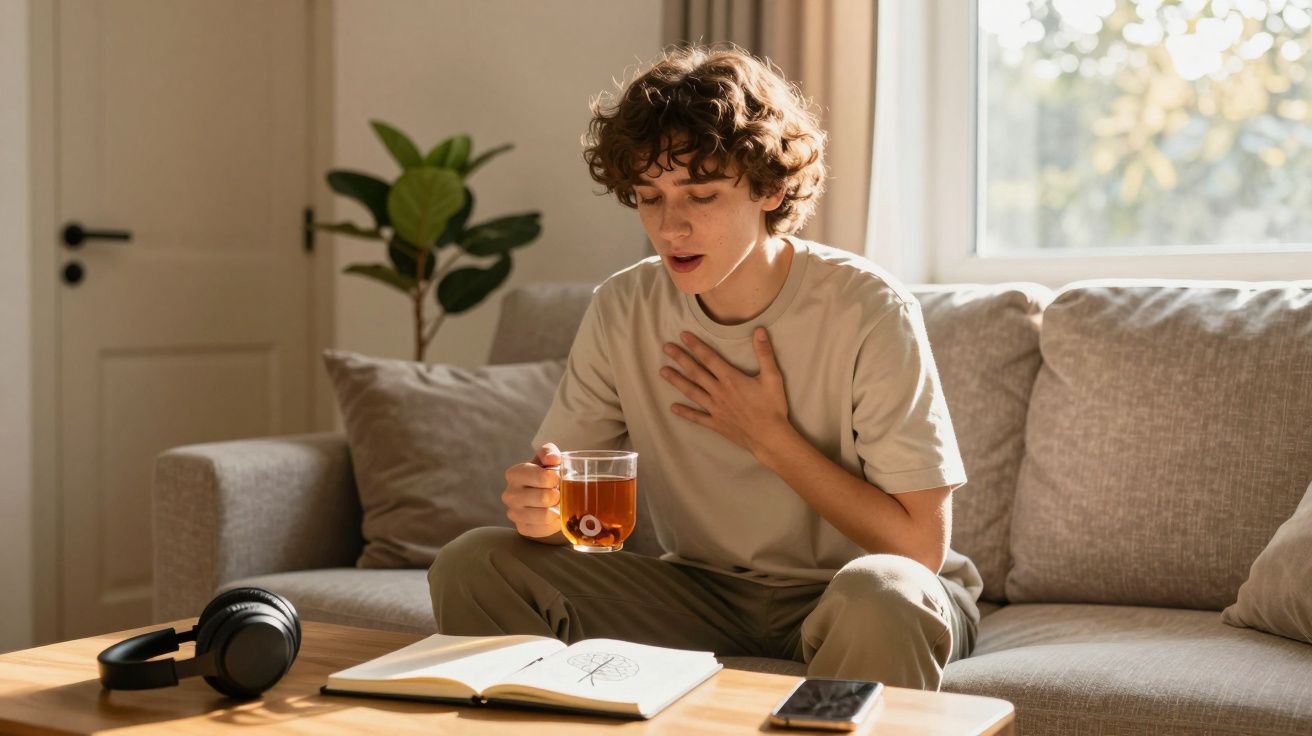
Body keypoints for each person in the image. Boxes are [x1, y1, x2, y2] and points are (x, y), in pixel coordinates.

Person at [428, 43, 982, 691]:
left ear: (770, 188)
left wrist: (768, 437)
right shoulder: (623, 307)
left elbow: (917, 550)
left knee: (879, 593)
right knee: (475, 561)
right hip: (703, 591)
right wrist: (541, 514)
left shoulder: (866, 306)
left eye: (703, 193)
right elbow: (569, 517)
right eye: (649, 196)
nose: (671, 226)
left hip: (863, 594)